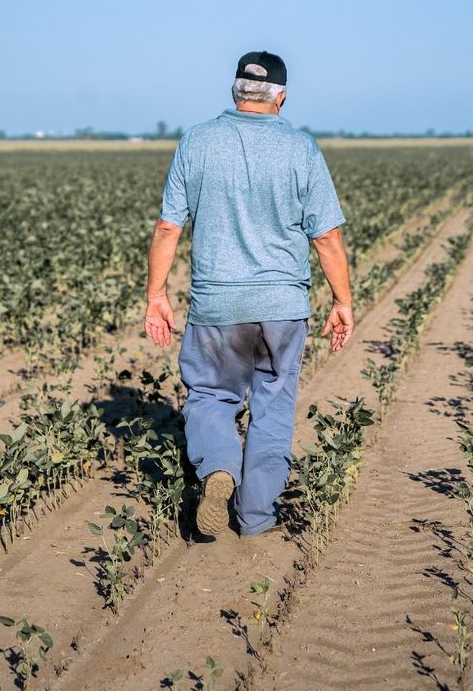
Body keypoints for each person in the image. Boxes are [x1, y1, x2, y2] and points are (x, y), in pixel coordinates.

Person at [143, 50, 353, 538]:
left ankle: (219, 467)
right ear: (281, 97)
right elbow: (326, 238)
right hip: (281, 308)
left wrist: (157, 294)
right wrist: (342, 301)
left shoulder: (196, 142)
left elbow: (167, 227)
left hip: (217, 306)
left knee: (212, 396)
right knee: (272, 409)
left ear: (235, 92)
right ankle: (256, 520)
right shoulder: (301, 149)